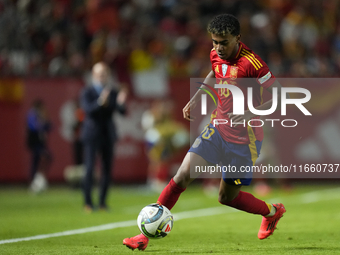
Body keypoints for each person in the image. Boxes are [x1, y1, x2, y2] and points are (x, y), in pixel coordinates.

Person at [123, 14, 286, 251]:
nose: (218, 48)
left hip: (244, 139)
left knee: (226, 197)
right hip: (217, 128)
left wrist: (250, 114)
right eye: (214, 42)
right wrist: (197, 97)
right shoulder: (215, 55)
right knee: (182, 176)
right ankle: (143, 236)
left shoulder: (253, 64)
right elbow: (214, 72)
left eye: (224, 42)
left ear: (238, 38)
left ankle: (272, 212)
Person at [81, 62, 127, 212]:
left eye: (104, 73)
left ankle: (102, 202)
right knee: (89, 168)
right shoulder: (87, 92)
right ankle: (88, 203)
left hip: (107, 134)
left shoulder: (112, 92)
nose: (102, 76)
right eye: (99, 73)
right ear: (94, 75)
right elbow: (88, 111)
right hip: (92, 134)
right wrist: (101, 102)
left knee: (107, 169)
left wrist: (121, 102)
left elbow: (121, 111)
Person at [26, 99, 52, 193]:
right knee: (39, 159)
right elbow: (34, 127)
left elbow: (49, 126)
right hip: (35, 142)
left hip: (41, 143)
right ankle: (35, 181)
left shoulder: (41, 115)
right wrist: (44, 123)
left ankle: (38, 179)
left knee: (41, 159)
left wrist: (46, 123)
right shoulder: (33, 114)